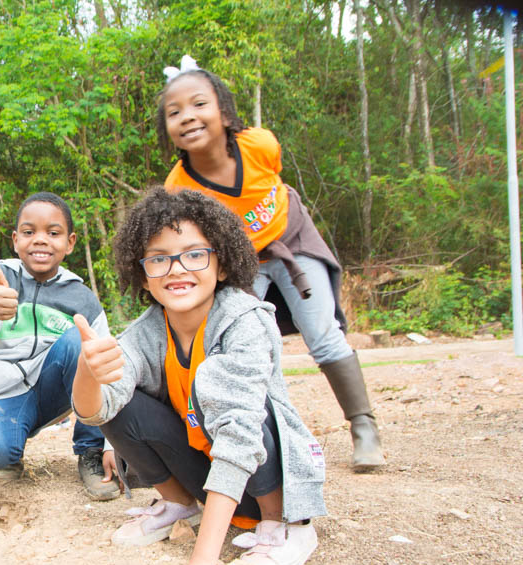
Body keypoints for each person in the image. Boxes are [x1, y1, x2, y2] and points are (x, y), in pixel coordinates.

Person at [72, 187, 326, 565]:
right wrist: (86, 370)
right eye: (159, 258)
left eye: (194, 254)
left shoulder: (245, 321)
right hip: (208, 479)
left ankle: (282, 527)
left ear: (222, 262)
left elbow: (242, 435)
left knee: (234, 399)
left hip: (259, 474)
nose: (176, 269)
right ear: (143, 272)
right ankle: (179, 505)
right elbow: (96, 412)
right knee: (122, 406)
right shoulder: (146, 333)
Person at [157, 55, 385, 472]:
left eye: (199, 104)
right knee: (248, 344)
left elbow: (276, 178)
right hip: (242, 262)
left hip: (292, 240)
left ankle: (363, 426)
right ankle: (260, 437)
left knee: (322, 332)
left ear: (224, 112)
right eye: (175, 112)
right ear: (167, 129)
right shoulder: (179, 186)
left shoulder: (259, 144)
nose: (188, 116)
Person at [0, 192, 120, 500]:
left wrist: (113, 444)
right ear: (16, 240)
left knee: (82, 342)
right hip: (4, 392)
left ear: (70, 243)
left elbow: (107, 367)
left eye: (53, 233)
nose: (41, 240)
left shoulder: (80, 296)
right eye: (30, 232)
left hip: (56, 389)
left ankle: (91, 451)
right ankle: (9, 445)